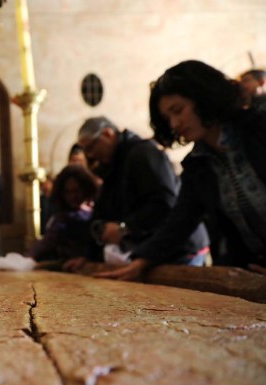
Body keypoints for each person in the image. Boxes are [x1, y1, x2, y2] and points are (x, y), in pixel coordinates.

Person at [97, 60, 266, 281]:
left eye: (178, 111)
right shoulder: (198, 165)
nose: (174, 124)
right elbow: (180, 221)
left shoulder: (259, 128)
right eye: (168, 118)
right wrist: (141, 261)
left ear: (204, 97)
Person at [63, 116, 209, 273]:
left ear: (107, 134)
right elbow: (104, 209)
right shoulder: (115, 163)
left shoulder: (142, 153)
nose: (90, 155)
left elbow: (164, 204)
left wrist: (124, 228)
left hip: (179, 249)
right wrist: (87, 255)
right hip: (155, 251)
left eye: (91, 147)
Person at [29, 165, 97, 262]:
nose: (73, 196)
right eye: (67, 192)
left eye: (76, 191)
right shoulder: (62, 218)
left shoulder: (96, 210)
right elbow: (47, 242)